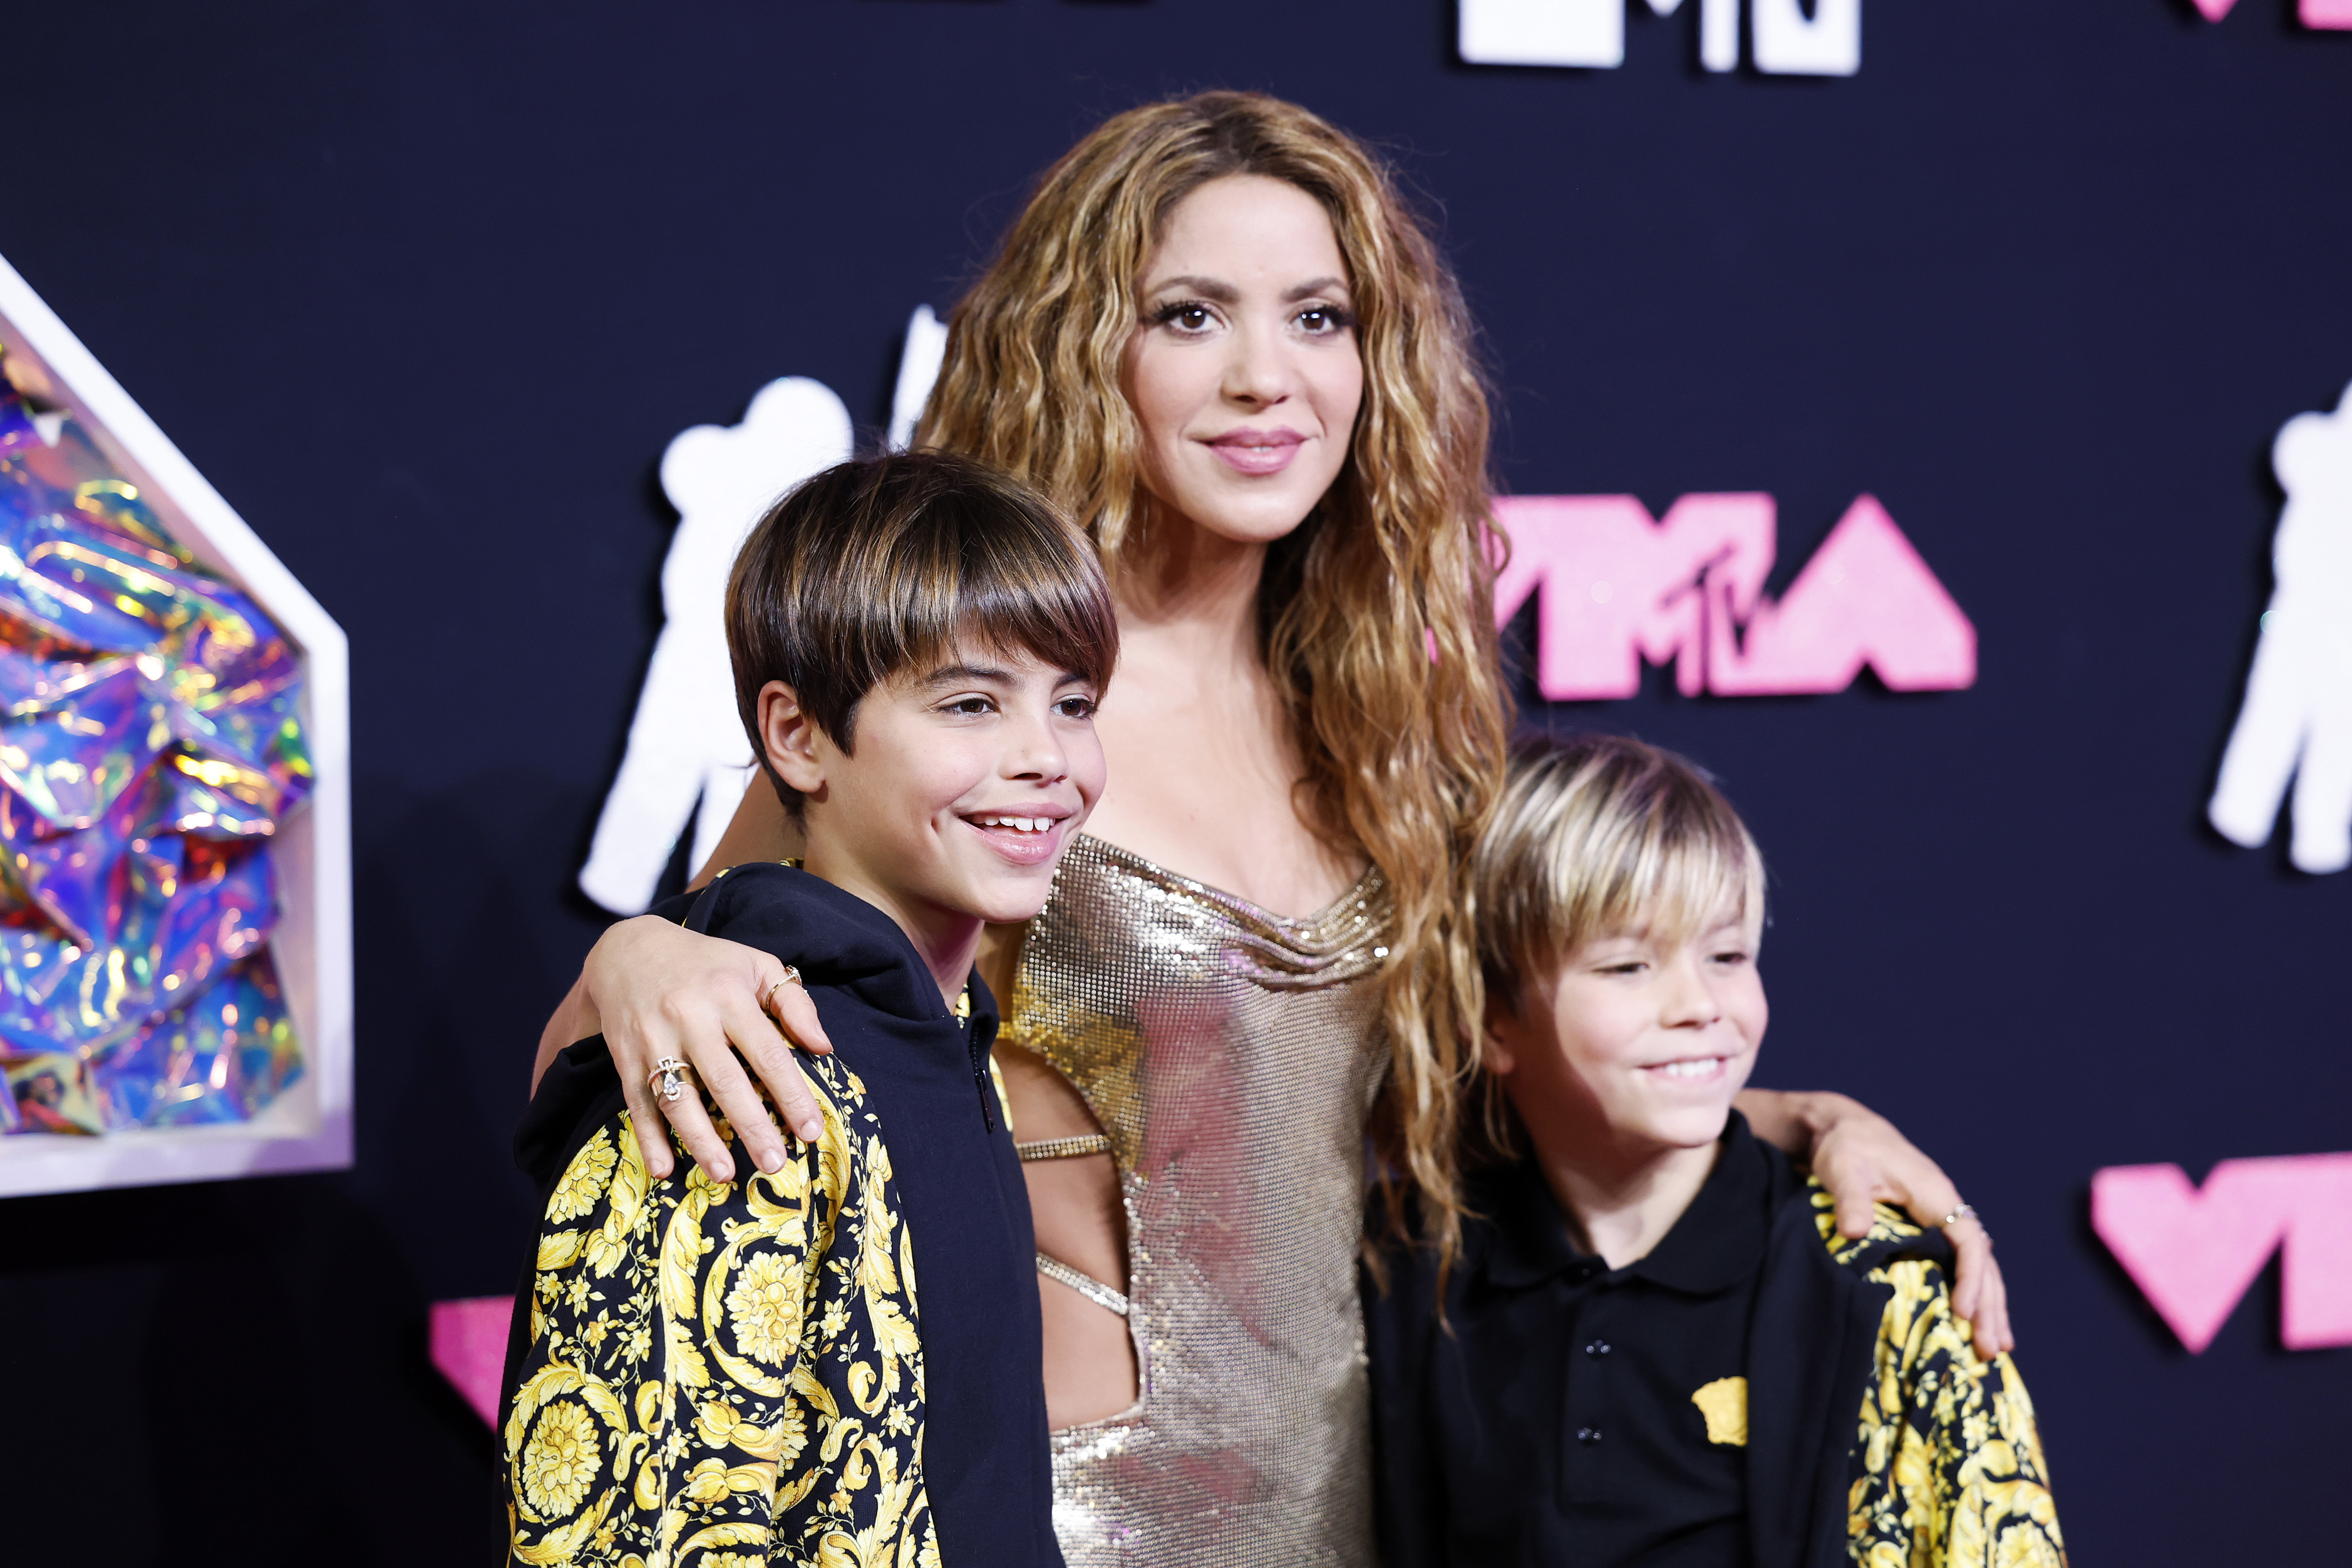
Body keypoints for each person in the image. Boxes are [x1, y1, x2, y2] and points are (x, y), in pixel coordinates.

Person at [537, 93, 2013, 1567]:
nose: (1267, 378)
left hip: (1364, 1491)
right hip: (1066, 1510)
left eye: (1319, 318)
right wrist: (636, 960)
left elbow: (1455, 1113)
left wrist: (1803, 1123)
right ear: (1083, 350)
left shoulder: (1389, 718)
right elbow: (683, 1039)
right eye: (1190, 315)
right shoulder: (981, 705)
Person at [503, 452, 1113, 1567]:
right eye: (971, 703)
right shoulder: (747, 1062)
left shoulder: (947, 1036)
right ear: (796, 737)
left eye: (1073, 704)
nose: (1046, 758)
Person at [1367, 736, 2064, 1568]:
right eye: (1628, 966)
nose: (1700, 1004)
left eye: (1727, 955)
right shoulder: (1407, 1270)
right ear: (1491, 1019)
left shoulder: (1883, 1292)